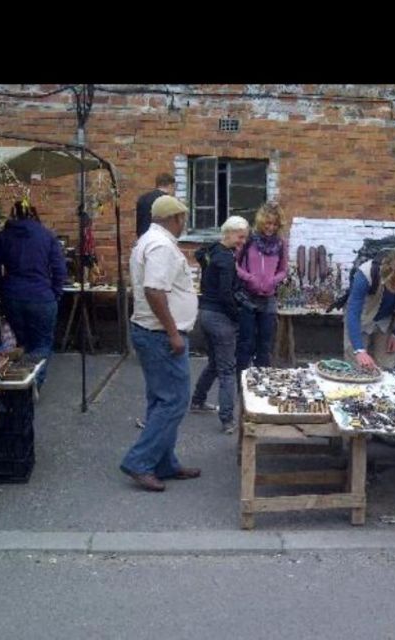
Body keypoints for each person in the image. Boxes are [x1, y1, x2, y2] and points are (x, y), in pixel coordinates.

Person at [120, 196, 201, 492]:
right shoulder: (161, 245)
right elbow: (154, 290)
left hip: (152, 331)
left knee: (160, 400)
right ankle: (140, 461)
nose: (185, 224)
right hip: (160, 335)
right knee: (175, 401)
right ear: (176, 218)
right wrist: (173, 333)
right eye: (184, 219)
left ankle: (164, 462)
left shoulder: (149, 240)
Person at [0, 201, 67, 389]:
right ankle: (34, 384)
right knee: (41, 344)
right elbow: (60, 269)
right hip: (41, 296)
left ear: (13, 215)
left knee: (23, 342)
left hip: (12, 296)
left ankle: (21, 383)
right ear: (34, 214)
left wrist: (3, 289)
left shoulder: (3, 236)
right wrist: (54, 293)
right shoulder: (47, 236)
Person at [191, 216, 250, 433]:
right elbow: (226, 294)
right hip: (219, 317)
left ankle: (197, 400)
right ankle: (227, 419)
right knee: (227, 369)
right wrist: (236, 315)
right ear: (228, 233)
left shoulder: (211, 250)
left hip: (204, 313)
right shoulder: (225, 259)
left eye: (244, 237)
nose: (242, 242)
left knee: (215, 363)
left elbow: (202, 260)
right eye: (240, 237)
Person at [344, 250, 395, 370]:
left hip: (386, 320)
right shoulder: (366, 274)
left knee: (386, 366)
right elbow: (353, 311)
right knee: (357, 365)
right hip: (361, 318)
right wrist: (359, 350)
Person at [235, 202, 288, 372]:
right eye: (267, 223)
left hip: (268, 299)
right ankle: (241, 380)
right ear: (260, 222)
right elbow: (234, 265)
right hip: (248, 298)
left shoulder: (280, 244)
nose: (270, 227)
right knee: (246, 343)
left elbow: (283, 270)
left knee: (265, 344)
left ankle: (261, 381)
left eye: (274, 224)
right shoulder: (249, 240)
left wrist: (273, 280)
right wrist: (249, 278)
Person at [136, 173, 175, 238]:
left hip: (142, 237)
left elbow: (139, 222)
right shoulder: (168, 200)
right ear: (170, 185)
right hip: (159, 238)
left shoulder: (143, 198)